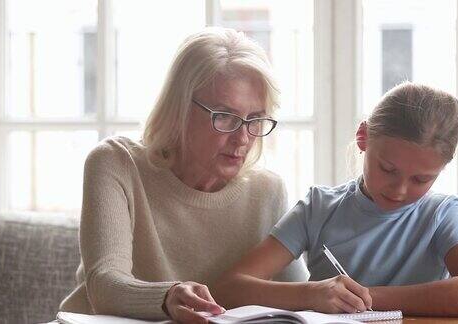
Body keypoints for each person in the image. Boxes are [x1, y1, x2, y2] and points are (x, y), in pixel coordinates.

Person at [59, 27, 308, 323]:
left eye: (255, 119)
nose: (243, 138)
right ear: (179, 109)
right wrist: (167, 297)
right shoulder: (116, 162)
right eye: (224, 116)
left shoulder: (267, 191)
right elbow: (104, 285)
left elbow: (298, 294)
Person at [212, 82, 458, 317]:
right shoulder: (317, 208)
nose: (399, 190)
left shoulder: (442, 213)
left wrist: (363, 297)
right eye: (388, 169)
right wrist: (313, 294)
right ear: (363, 137)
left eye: (420, 180)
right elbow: (228, 288)